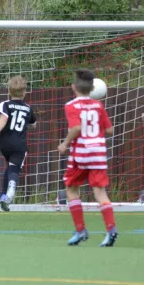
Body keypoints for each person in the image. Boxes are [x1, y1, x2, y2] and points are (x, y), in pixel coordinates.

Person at [57, 69, 117, 247]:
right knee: (100, 192)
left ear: (73, 87)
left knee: (71, 187)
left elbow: (75, 128)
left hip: (81, 154)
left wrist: (64, 144)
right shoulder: (99, 106)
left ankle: (81, 229)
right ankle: (111, 229)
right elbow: (109, 130)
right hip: (98, 153)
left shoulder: (71, 106)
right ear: (92, 88)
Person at [0, 76, 37, 211]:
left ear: (9, 91)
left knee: (9, 167)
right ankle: (12, 188)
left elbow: (3, 120)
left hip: (5, 144)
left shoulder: (5, 104)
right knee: (14, 170)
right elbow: (33, 124)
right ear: (24, 92)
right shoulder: (28, 108)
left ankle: (3, 197)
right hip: (19, 145)